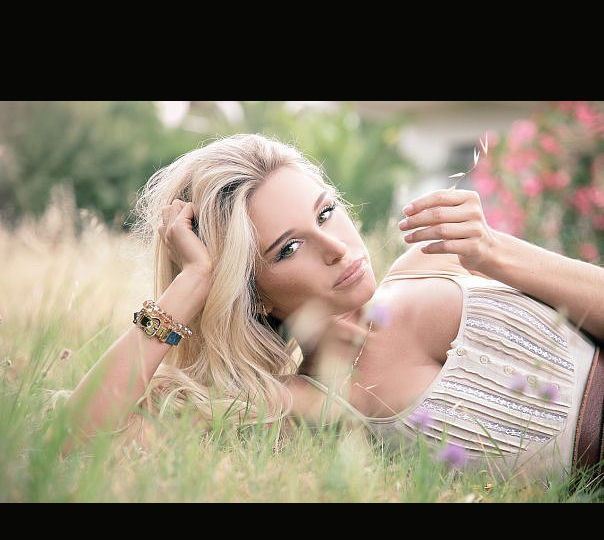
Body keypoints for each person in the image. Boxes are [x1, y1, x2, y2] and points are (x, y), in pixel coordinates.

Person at [64, 133, 604, 482]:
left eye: (325, 213)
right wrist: (190, 284)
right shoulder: (306, 400)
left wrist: (494, 250)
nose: (336, 248)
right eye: (288, 248)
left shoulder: (431, 258)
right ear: (250, 293)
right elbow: (75, 438)